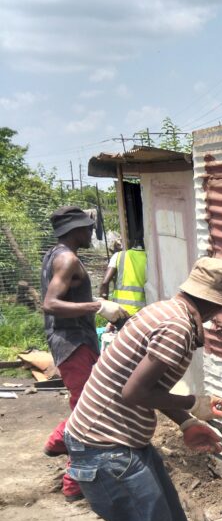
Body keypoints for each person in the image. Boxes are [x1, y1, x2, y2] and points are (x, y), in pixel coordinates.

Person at [64, 257, 222, 521]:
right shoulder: (176, 328)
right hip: (104, 445)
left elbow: (147, 386)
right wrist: (194, 404)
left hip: (119, 439)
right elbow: (135, 391)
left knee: (169, 514)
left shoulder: (166, 311)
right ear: (217, 305)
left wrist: (187, 423)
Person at [41, 206, 129, 501]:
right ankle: (73, 482)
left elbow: (68, 297)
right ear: (75, 230)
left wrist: (96, 306)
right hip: (73, 343)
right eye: (88, 228)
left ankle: (59, 440)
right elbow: (51, 304)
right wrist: (97, 306)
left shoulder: (56, 254)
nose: (92, 232)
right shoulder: (67, 259)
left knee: (90, 404)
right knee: (88, 412)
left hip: (75, 340)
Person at [100, 238, 147, 316]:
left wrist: (104, 306)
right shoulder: (149, 258)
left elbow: (105, 282)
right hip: (141, 312)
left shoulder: (118, 256)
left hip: (119, 312)